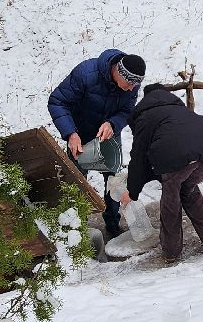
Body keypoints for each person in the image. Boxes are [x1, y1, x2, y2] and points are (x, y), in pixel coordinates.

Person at [117, 85, 203, 265]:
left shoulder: (146, 116)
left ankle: (171, 253)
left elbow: (138, 156)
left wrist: (132, 191)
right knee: (188, 190)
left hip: (177, 158)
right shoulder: (179, 111)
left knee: (171, 199)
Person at [48, 49, 145, 239]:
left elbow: (126, 111)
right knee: (76, 181)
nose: (133, 89)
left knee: (115, 179)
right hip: (79, 134)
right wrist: (70, 133)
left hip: (107, 135)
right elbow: (57, 101)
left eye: (136, 85)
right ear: (119, 72)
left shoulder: (131, 85)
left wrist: (113, 123)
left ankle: (113, 223)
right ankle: (75, 230)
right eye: (130, 83)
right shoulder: (86, 73)